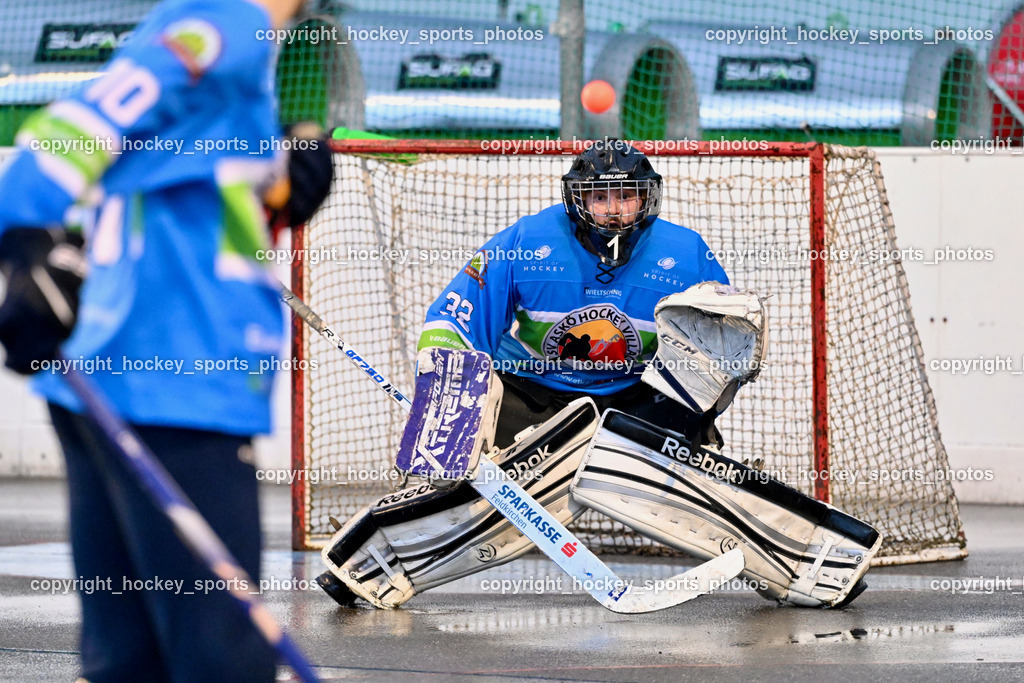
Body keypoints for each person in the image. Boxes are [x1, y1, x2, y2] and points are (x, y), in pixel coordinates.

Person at [0, 0, 331, 680]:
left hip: (110, 379)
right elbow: (78, 126)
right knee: (221, 660)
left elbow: (171, 167)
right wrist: (20, 234)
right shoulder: (229, 24)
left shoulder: (206, 28)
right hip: (177, 383)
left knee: (130, 659)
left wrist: (276, 181)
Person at [417, 138, 729, 448]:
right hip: (530, 390)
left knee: (692, 394)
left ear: (648, 198)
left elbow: (725, 346)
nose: (613, 210)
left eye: (626, 196)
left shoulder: (686, 255)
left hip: (636, 397)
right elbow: (452, 324)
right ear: (576, 199)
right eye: (599, 197)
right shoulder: (527, 241)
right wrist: (449, 404)